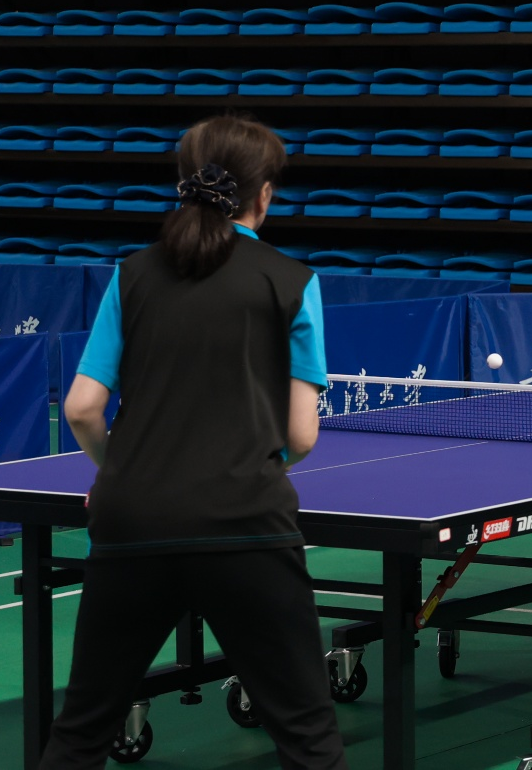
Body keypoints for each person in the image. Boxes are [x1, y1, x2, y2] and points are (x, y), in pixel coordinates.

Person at [42, 114, 348, 768]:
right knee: (308, 736)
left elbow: (83, 409)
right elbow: (300, 435)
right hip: (246, 525)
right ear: (264, 194)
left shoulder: (131, 275)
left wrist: (119, 470)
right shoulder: (294, 281)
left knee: (80, 732)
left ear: (184, 184)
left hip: (134, 522)